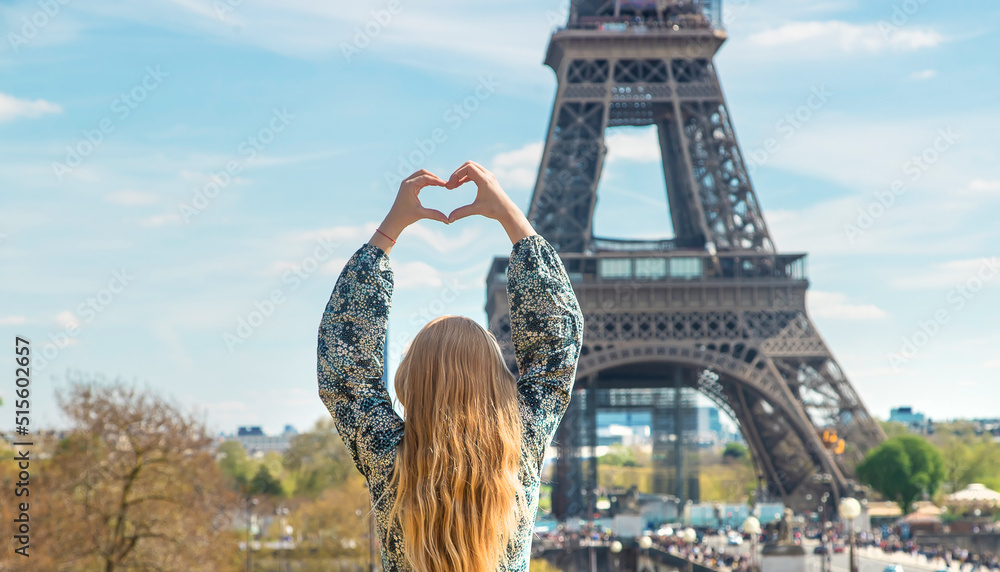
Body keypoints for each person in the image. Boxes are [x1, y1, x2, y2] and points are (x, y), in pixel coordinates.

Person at [317, 162, 585, 572]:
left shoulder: (388, 458)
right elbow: (557, 344)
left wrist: (389, 231)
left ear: (410, 382)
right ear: (497, 380)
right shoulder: (522, 448)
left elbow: (344, 358)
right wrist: (511, 217)